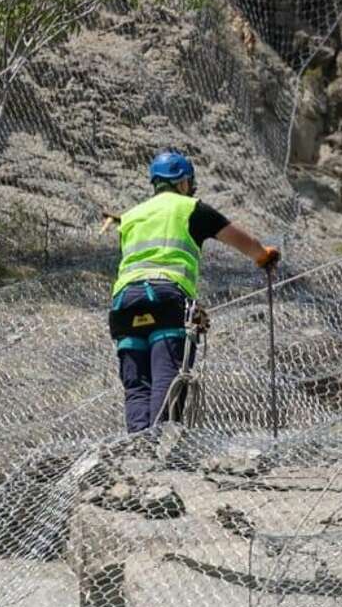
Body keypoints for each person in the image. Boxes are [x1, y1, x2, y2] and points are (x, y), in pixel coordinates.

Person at [109, 151, 278, 436]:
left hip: (125, 302)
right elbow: (243, 241)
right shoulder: (190, 208)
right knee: (168, 374)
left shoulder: (130, 216)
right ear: (184, 181)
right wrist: (264, 256)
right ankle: (162, 444)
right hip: (166, 298)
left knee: (137, 384)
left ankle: (136, 447)